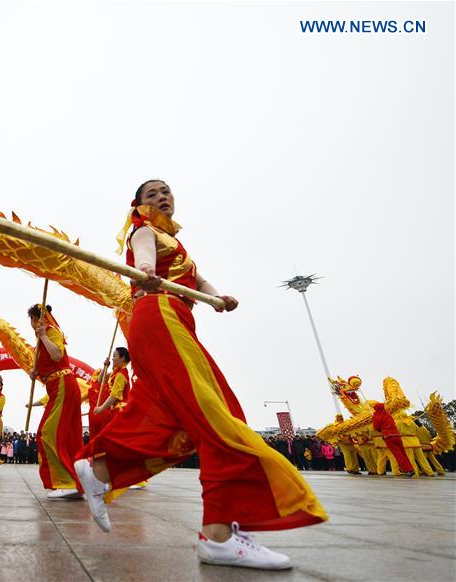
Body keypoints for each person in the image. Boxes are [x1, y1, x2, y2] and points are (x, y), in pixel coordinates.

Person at [73, 180, 327, 570]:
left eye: (167, 191)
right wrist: (144, 274)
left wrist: (218, 296)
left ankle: (102, 467)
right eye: (153, 193)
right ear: (139, 204)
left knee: (180, 416)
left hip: (177, 319)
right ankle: (219, 535)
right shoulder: (144, 231)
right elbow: (142, 263)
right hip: (159, 313)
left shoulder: (177, 246)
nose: (163, 196)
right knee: (216, 415)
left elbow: (198, 281)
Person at [26, 304, 84, 500]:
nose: (34, 324)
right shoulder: (40, 342)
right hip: (56, 386)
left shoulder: (52, 332)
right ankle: (75, 482)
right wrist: (37, 373)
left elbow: (58, 355)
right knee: (68, 436)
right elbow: (51, 363)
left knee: (47, 433)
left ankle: (65, 482)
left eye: (35, 319)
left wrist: (43, 336)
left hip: (62, 385)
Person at [372, 403, 414, 477]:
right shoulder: (388, 415)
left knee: (397, 455)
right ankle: (411, 468)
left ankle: (408, 470)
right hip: (397, 436)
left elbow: (376, 428)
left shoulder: (376, 416)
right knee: (403, 453)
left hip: (388, 437)